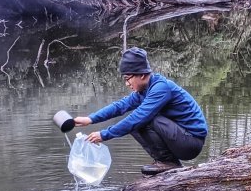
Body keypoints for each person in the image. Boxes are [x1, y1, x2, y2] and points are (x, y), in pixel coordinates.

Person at [73, 47, 208, 175]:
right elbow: (120, 106)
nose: (127, 84)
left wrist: (104, 134)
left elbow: (139, 117)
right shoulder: (144, 91)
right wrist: (90, 119)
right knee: (133, 125)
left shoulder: (161, 88)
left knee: (142, 119)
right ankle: (164, 161)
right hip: (180, 138)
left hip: (191, 142)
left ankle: (168, 162)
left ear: (142, 75)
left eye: (128, 79)